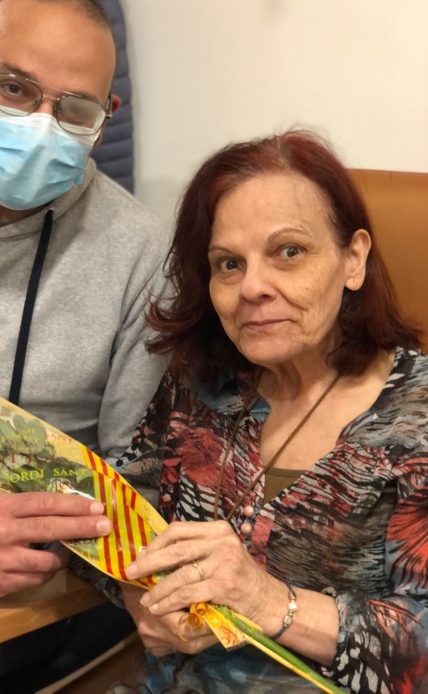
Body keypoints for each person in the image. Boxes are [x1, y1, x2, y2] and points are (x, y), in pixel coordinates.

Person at [0, 0, 170, 692]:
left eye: (74, 109)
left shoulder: (142, 257)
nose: (40, 125)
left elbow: (136, 491)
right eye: (16, 88)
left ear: (105, 118)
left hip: (31, 569)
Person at [110, 130, 428, 693]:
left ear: (353, 259)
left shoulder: (415, 418)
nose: (252, 287)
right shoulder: (200, 383)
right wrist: (141, 598)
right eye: (228, 263)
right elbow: (125, 517)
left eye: (289, 252)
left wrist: (267, 601)